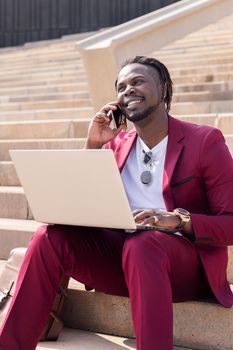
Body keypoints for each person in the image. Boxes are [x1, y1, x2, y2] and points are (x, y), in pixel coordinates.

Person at [1, 55, 233, 350]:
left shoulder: (204, 142)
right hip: (124, 263)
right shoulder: (115, 145)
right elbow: (83, 207)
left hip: (183, 269)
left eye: (137, 81)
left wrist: (178, 220)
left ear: (162, 89)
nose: (127, 90)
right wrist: (94, 145)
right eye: (121, 86)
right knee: (47, 237)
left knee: (143, 244)